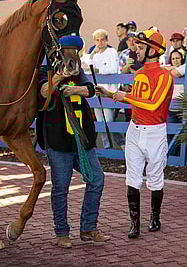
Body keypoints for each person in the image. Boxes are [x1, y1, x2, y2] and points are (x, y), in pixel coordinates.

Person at [97, 29, 173, 239]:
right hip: (134, 130)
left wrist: (124, 97)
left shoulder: (164, 75)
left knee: (156, 178)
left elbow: (153, 104)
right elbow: (134, 97)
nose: (136, 50)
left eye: (140, 47)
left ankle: (155, 217)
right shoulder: (139, 74)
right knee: (132, 176)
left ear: (153, 50)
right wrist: (111, 94)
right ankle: (134, 223)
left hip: (155, 132)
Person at [37, 38, 110, 249]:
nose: (73, 54)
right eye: (69, 50)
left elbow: (89, 89)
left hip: (82, 138)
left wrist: (74, 89)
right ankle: (61, 232)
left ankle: (88, 227)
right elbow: (43, 91)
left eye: (76, 50)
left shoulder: (80, 71)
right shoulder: (46, 70)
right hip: (58, 139)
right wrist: (60, 76)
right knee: (61, 187)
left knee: (96, 179)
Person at [83, 28, 125, 150]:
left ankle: (122, 145)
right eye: (97, 40)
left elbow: (112, 69)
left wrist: (97, 70)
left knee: (109, 120)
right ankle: (107, 147)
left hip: (109, 92)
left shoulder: (112, 52)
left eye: (102, 40)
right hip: (97, 92)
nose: (100, 43)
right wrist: (92, 54)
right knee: (100, 121)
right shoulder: (95, 54)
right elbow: (85, 66)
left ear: (106, 40)